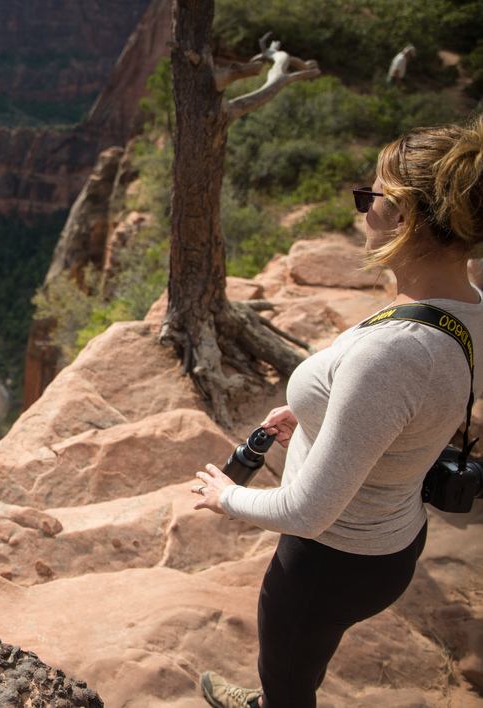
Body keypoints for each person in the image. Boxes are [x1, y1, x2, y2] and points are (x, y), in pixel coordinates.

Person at [192, 112, 483, 708]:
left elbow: (306, 512)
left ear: (401, 213)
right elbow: (414, 405)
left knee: (289, 680)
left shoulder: (394, 354)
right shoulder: (471, 304)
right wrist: (322, 411)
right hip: (394, 539)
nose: (361, 211)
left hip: (327, 563)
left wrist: (223, 497)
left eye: (368, 196)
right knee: (301, 663)